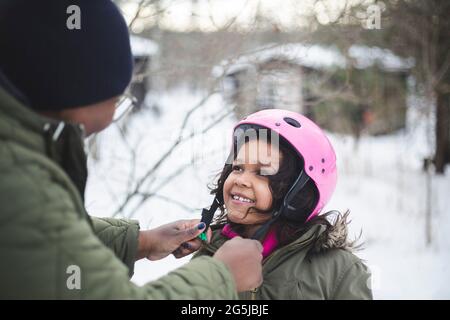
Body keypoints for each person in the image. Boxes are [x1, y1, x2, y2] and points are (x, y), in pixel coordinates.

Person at [0, 0, 263, 299]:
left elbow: (45, 243)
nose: (243, 180)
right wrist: (222, 277)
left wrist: (141, 241)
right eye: (117, 99)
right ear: (75, 91)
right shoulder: (16, 180)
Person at [194, 109, 373, 299]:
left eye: (262, 172)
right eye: (237, 168)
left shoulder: (339, 271)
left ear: (300, 195)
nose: (241, 180)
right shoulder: (211, 251)